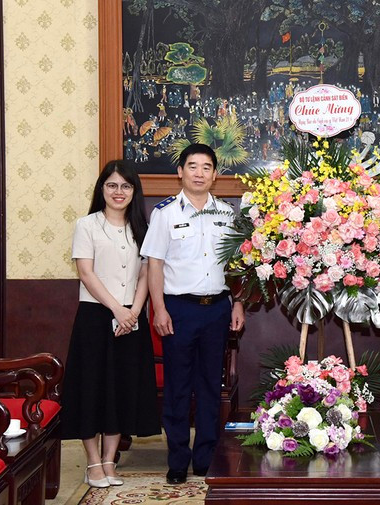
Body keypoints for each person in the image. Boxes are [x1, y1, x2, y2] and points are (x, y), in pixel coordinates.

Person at [140, 143, 245, 485]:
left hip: (217, 309)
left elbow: (236, 265)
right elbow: (154, 263)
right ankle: (177, 460)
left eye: (206, 167)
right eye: (192, 166)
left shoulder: (227, 214)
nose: (199, 173)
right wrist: (159, 309)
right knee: (178, 388)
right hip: (178, 310)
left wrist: (238, 302)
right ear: (180, 172)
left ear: (215, 174)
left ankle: (205, 458)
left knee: (210, 386)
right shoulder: (165, 213)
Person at [61, 160, 160, 488]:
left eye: (126, 186)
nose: (119, 192)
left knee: (121, 389)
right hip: (95, 317)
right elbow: (86, 273)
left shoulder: (141, 228)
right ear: (102, 189)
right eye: (112, 185)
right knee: (92, 388)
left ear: (134, 191)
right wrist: (118, 309)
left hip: (131, 318)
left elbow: (146, 273)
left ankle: (109, 461)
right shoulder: (86, 225)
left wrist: (133, 312)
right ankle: (92, 464)